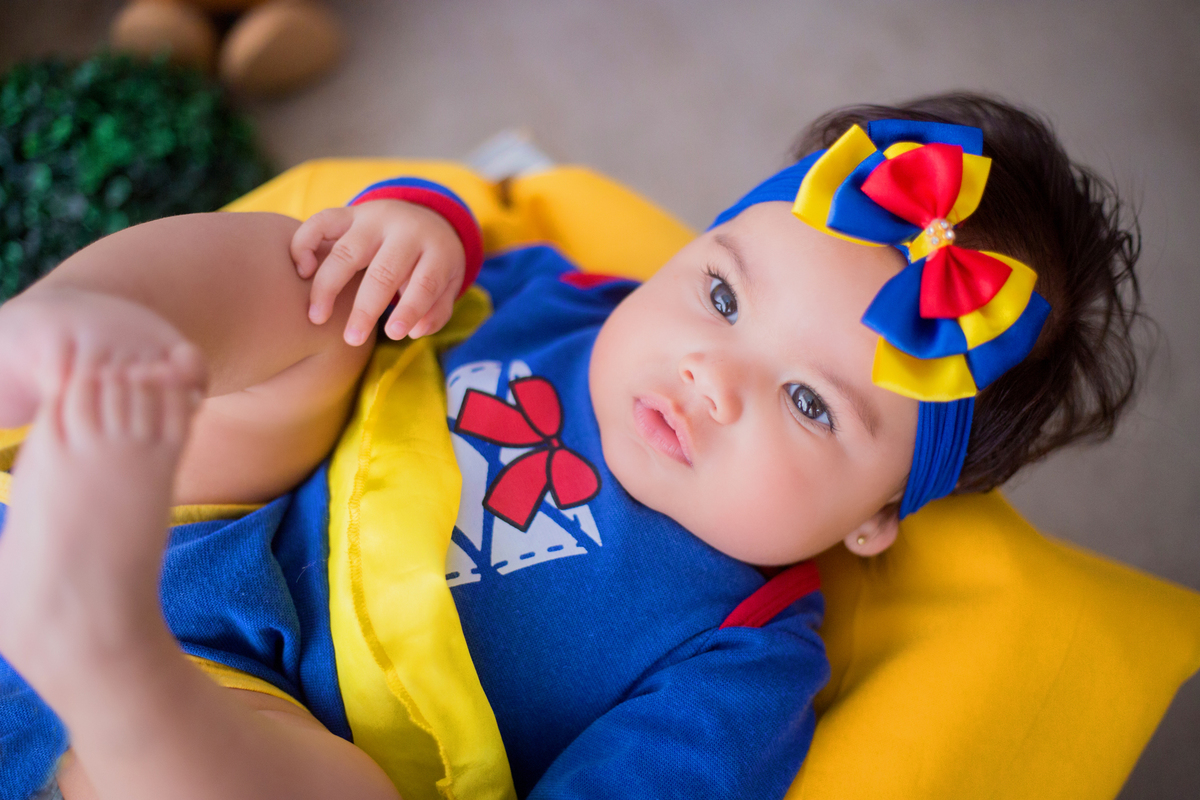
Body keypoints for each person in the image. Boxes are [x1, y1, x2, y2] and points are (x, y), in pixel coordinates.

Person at [0, 93, 1142, 800]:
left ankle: (111, 675)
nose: (711, 374)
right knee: (311, 292)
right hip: (203, 502)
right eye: (722, 296)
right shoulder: (576, 304)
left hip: (256, 724)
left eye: (809, 402)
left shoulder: (745, 661)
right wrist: (415, 226)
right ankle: (55, 340)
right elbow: (465, 239)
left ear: (876, 517)